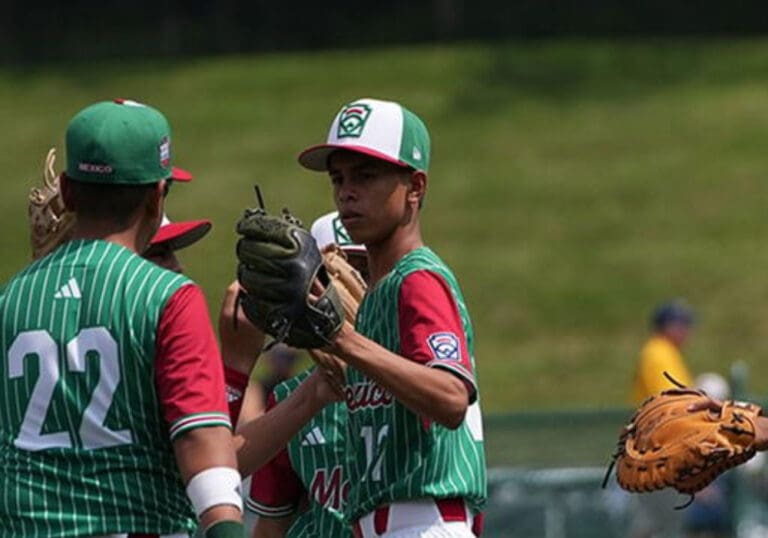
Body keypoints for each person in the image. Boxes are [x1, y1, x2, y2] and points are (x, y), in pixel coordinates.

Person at [0, 99, 244, 537]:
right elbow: (200, 444)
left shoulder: (10, 300)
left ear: (68, 191)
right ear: (157, 195)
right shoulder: (168, 296)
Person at [298, 97, 487, 537]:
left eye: (366, 176)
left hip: (422, 522)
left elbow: (451, 397)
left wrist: (342, 340)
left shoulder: (417, 279)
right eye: (339, 178)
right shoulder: (378, 296)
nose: (347, 191)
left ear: (415, 188)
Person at [246, 212, 364, 538]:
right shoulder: (290, 400)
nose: (357, 284)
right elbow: (272, 523)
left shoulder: (426, 381)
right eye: (334, 277)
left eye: (366, 269)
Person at [632, 300, 695, 404]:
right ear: (669, 327)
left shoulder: (668, 350)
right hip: (658, 419)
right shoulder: (657, 352)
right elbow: (670, 397)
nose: (687, 331)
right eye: (683, 325)